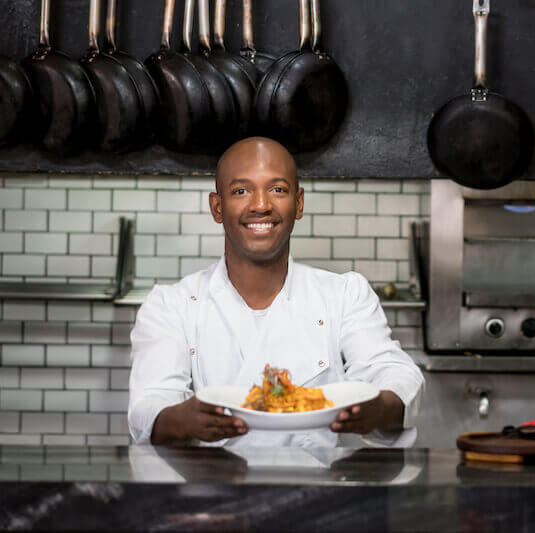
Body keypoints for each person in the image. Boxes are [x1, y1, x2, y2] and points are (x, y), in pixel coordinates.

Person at [128, 137, 425, 448]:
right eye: (241, 191)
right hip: (210, 478)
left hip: (316, 477)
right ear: (217, 207)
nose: (261, 205)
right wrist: (185, 419)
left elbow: (393, 371)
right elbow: (148, 406)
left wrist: (379, 408)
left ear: (299, 203)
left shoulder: (345, 295)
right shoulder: (171, 305)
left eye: (278, 189)